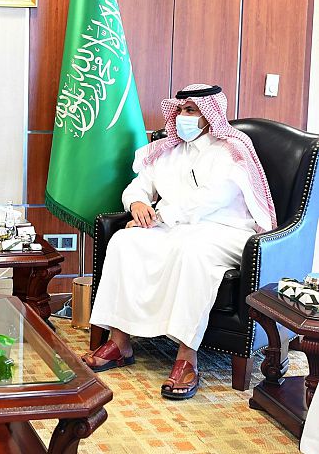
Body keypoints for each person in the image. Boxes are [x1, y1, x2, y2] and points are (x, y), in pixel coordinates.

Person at [82, 84, 276, 400]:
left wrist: (158, 216)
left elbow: (214, 197)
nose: (181, 116)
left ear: (210, 114)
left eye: (190, 110)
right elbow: (138, 186)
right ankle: (119, 342)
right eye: (180, 109)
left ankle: (187, 357)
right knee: (124, 241)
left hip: (225, 230)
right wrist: (137, 205)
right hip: (174, 228)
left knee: (191, 252)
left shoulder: (231, 149)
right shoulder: (166, 150)